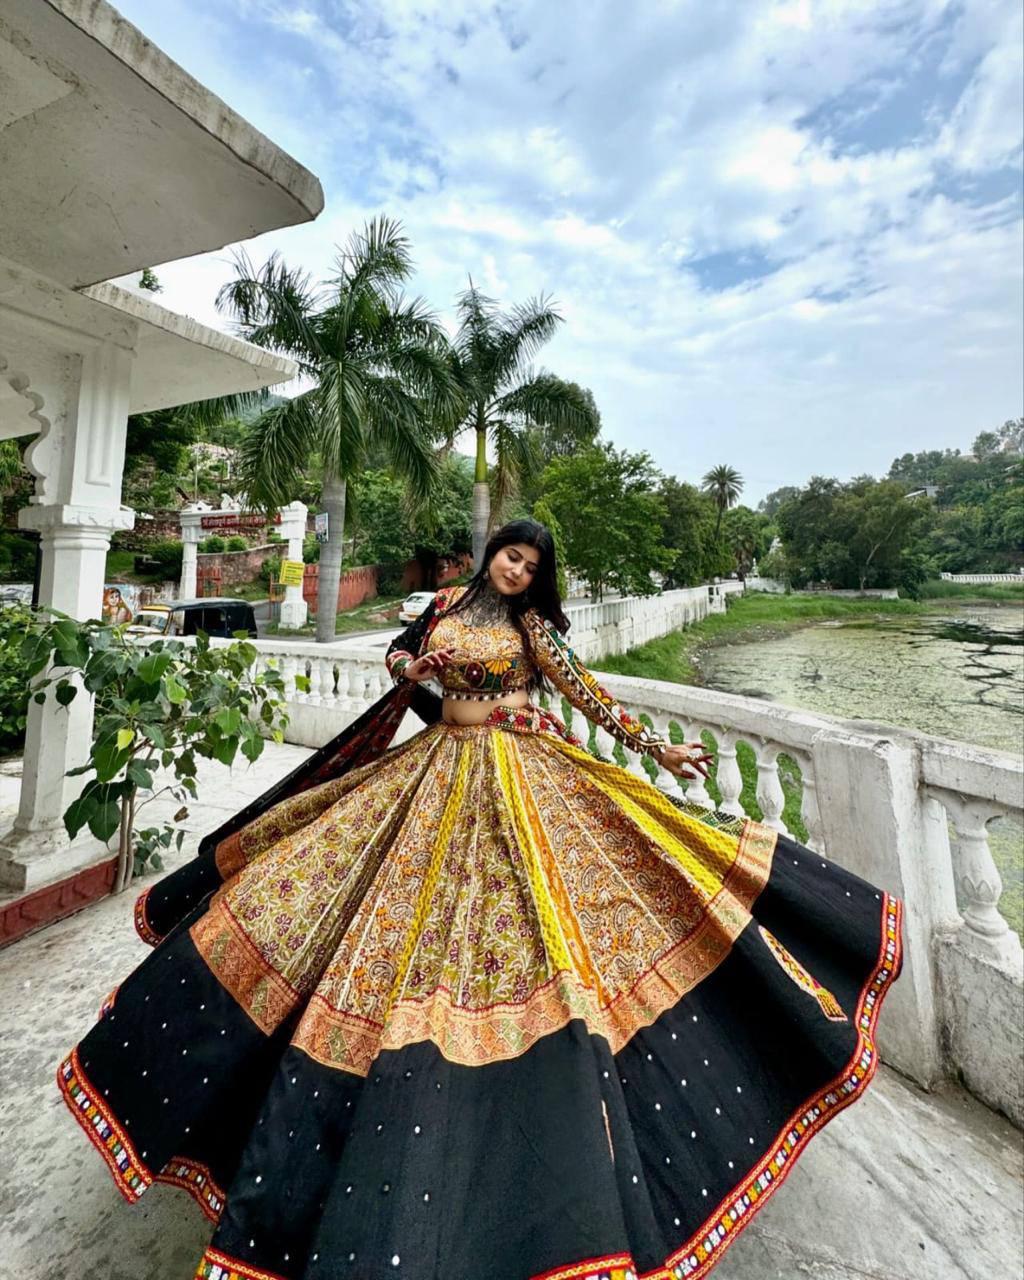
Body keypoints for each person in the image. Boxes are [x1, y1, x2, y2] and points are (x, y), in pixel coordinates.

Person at [58, 520, 902, 1280]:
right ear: (491, 554)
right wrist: (412, 666)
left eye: (531, 564)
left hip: (514, 775)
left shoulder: (533, 628)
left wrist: (659, 751)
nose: (516, 570)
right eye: (510, 555)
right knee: (329, 904)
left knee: (547, 926)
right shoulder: (443, 611)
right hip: (432, 768)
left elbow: (583, 693)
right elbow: (398, 657)